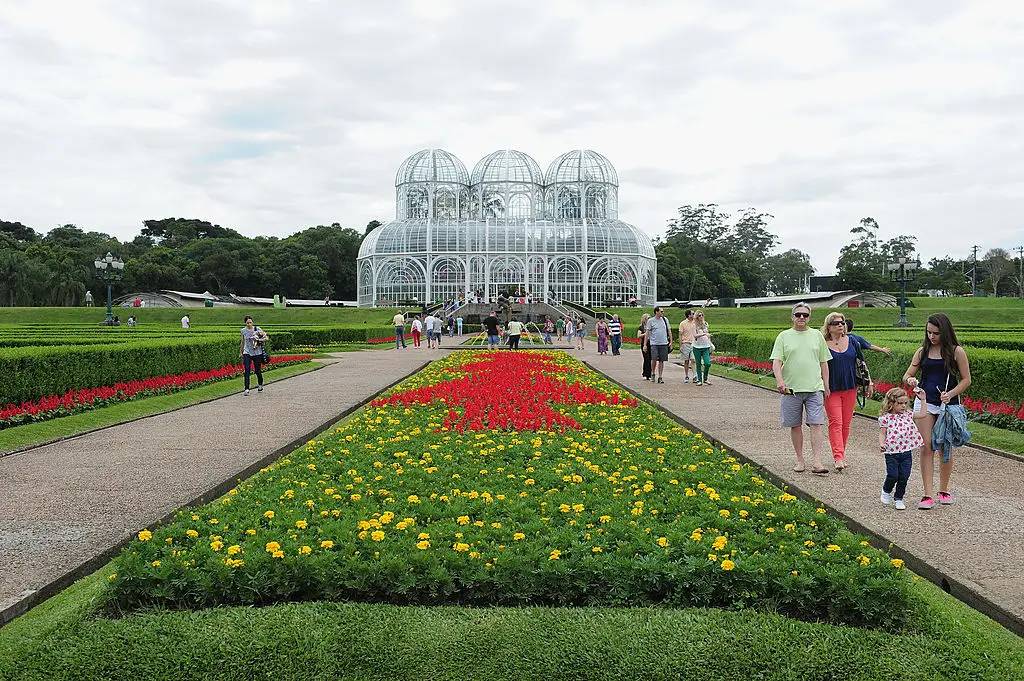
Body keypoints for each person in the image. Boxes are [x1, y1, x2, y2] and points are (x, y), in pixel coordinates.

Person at [902, 313, 972, 510]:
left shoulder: (956, 351)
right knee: (926, 446)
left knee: (944, 446)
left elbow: (966, 379)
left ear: (945, 332)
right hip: (924, 401)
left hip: (947, 405)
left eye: (936, 333)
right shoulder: (921, 352)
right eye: (929, 332)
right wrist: (911, 381)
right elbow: (908, 374)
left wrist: (950, 393)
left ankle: (944, 489)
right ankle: (927, 494)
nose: (932, 336)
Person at [770, 303, 831, 476]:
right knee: (795, 425)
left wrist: (826, 384)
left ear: (809, 317)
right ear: (792, 317)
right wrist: (780, 381)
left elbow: (823, 362)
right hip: (791, 389)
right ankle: (800, 459)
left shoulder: (817, 335)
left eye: (805, 315)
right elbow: (776, 361)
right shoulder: (784, 336)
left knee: (816, 423)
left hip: (814, 388)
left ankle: (817, 461)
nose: (801, 318)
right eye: (798, 315)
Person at [878, 386, 927, 510]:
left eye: (905, 403)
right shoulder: (886, 418)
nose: (903, 406)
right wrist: (882, 444)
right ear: (891, 403)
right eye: (900, 403)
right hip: (891, 452)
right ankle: (886, 490)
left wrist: (923, 400)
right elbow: (882, 433)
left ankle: (899, 498)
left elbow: (922, 414)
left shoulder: (908, 415)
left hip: (906, 452)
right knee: (893, 475)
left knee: (904, 476)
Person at [821, 312, 858, 471]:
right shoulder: (822, 343)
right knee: (836, 422)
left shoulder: (852, 341)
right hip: (832, 389)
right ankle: (838, 457)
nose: (841, 325)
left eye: (842, 322)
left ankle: (841, 453)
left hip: (850, 387)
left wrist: (868, 381)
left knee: (846, 424)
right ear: (829, 327)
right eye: (836, 323)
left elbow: (861, 362)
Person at [240, 315, 268, 396]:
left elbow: (266, 338)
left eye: (250, 322)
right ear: (245, 323)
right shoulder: (243, 331)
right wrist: (241, 352)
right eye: (247, 323)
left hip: (257, 353)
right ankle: (247, 388)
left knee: (257, 371)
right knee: (247, 370)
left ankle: (260, 384)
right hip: (247, 352)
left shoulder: (258, 329)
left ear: (252, 322)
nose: (249, 324)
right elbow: (242, 342)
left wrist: (259, 339)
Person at [643, 306, 672, 384]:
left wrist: (671, 342)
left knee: (662, 360)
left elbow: (669, 331)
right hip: (654, 343)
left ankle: (660, 376)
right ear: (656, 312)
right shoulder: (651, 321)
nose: (662, 313)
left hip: (664, 343)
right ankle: (653, 373)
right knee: (654, 359)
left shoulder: (665, 320)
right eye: (661, 311)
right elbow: (647, 333)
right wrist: (645, 344)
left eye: (663, 311)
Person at [678, 309, 696, 383]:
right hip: (685, 343)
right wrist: (680, 345)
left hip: (694, 344)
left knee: (693, 360)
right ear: (689, 315)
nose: (694, 315)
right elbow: (680, 335)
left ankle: (695, 375)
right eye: (693, 313)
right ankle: (686, 375)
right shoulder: (682, 323)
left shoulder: (695, 322)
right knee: (686, 361)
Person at [638, 313, 652, 381]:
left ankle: (651, 373)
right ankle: (646, 374)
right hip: (644, 344)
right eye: (648, 318)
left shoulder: (652, 326)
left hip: (651, 344)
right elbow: (638, 335)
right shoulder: (641, 327)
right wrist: (645, 334)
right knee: (647, 359)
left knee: (652, 359)